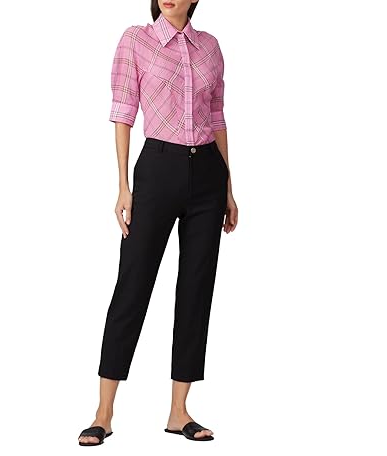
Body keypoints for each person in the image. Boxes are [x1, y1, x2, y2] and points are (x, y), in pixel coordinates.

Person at [78, 0, 238, 446]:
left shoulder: (210, 47)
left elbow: (218, 117)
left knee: (196, 289)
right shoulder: (136, 40)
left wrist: (228, 186)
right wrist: (123, 185)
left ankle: (179, 411)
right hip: (157, 169)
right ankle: (103, 412)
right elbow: (123, 111)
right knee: (132, 285)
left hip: (208, 174)